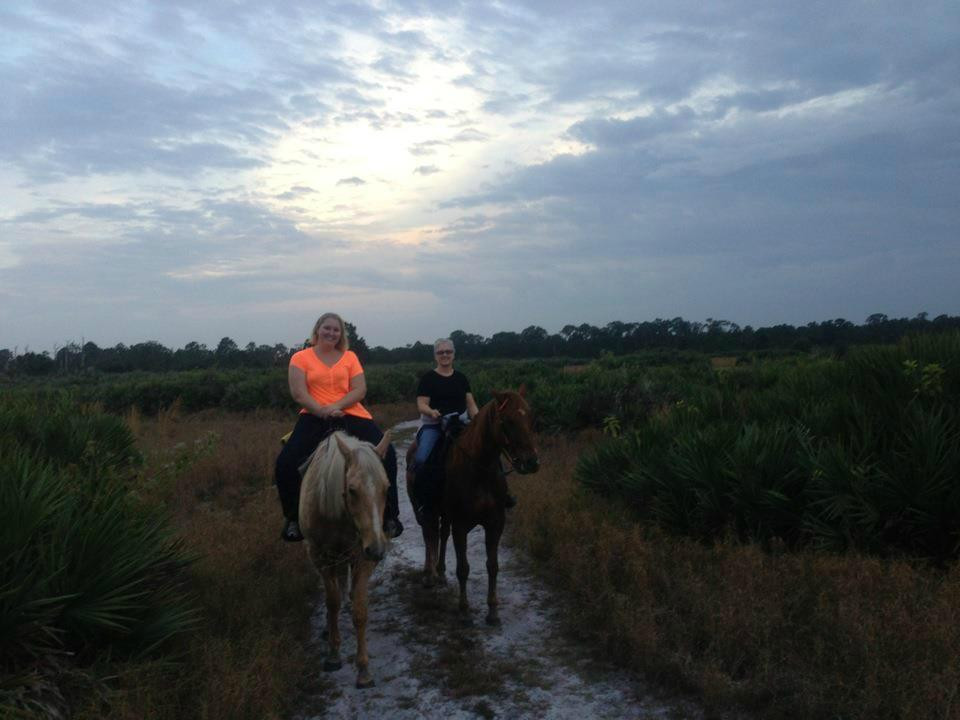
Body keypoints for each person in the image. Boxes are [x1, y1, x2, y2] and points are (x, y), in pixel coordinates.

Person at [275, 313, 402, 542]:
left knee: (389, 455)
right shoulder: (300, 358)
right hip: (314, 415)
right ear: (317, 330)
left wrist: (336, 406)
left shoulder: (350, 357)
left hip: (352, 413)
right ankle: (294, 519)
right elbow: (298, 393)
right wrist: (322, 410)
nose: (331, 333)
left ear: (341, 334)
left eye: (336, 330)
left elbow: (359, 390)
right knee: (285, 462)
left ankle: (390, 517)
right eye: (327, 328)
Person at [411, 338, 515, 508]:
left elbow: (471, 404)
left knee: (491, 451)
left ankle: (503, 494)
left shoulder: (461, 378)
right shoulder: (428, 379)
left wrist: (480, 420)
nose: (445, 355)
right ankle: (423, 499)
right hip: (434, 424)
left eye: (448, 352)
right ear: (435, 356)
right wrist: (432, 412)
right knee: (422, 458)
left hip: (459, 422)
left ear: (454, 354)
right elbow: (421, 404)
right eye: (440, 352)